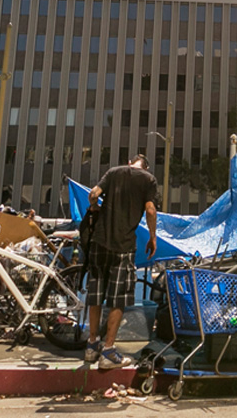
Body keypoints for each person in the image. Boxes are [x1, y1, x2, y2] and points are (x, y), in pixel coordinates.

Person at [84, 153, 158, 366]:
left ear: (129, 163)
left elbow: (93, 194)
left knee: (96, 292)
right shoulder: (148, 180)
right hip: (123, 246)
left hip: (100, 241)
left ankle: (91, 345)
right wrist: (152, 237)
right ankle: (108, 351)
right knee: (118, 297)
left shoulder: (114, 172)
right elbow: (151, 210)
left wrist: (96, 207)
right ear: (145, 167)